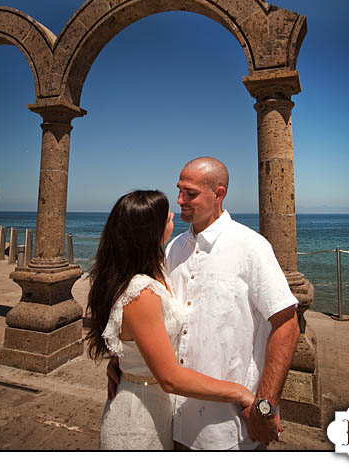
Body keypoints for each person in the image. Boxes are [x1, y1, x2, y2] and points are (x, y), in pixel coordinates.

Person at [107, 158, 301, 451]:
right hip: (171, 419)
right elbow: (149, 317)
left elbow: (287, 324)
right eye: (180, 191)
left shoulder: (251, 246)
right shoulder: (172, 250)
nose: (180, 200)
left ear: (218, 194)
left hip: (230, 426)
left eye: (190, 193)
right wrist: (125, 361)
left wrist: (265, 404)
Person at [86, 189, 255, 451]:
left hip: (155, 405)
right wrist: (239, 392)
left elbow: (134, 337)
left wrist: (123, 362)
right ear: (150, 232)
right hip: (138, 421)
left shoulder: (146, 270)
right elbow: (170, 379)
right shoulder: (141, 292)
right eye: (167, 217)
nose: (175, 212)